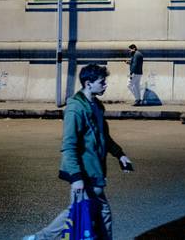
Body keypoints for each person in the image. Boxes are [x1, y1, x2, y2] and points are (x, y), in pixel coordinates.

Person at [23, 63, 133, 240]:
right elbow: (69, 145)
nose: (105, 85)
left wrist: (120, 154)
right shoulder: (75, 108)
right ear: (88, 83)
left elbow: (103, 136)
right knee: (77, 214)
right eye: (102, 82)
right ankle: (40, 238)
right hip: (84, 172)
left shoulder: (96, 105)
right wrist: (75, 177)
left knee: (97, 214)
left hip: (95, 171)